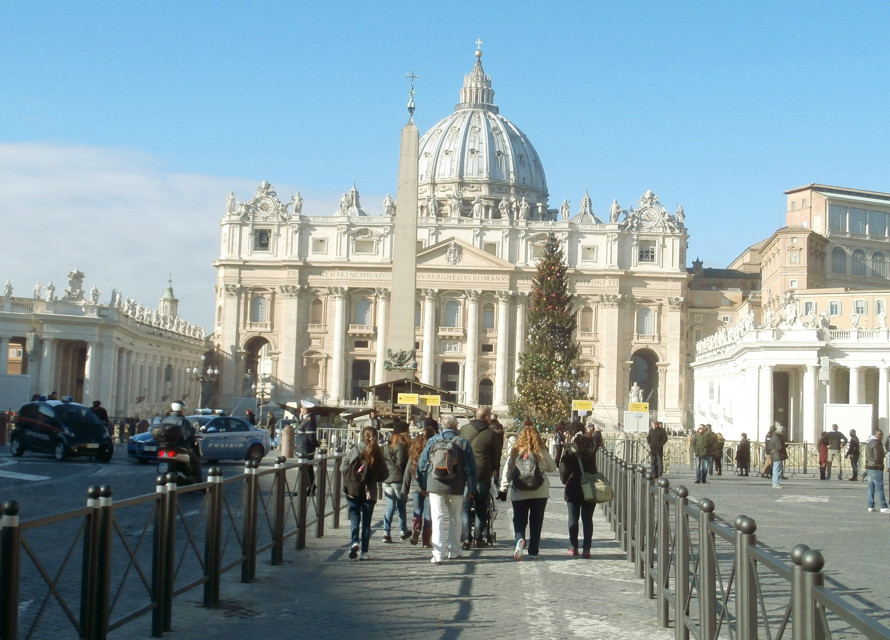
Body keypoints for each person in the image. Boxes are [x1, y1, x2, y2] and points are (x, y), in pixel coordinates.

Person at [417, 415, 477, 564]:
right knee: (455, 517)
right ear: (456, 426)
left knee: (437, 518)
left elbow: (421, 465)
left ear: (441, 426)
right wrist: (471, 488)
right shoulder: (463, 442)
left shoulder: (433, 441)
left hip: (435, 484)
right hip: (456, 485)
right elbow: (471, 469)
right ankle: (454, 550)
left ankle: (437, 553)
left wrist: (424, 486)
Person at [498, 424, 557, 560]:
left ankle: (520, 539)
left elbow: (507, 472)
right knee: (536, 521)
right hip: (539, 492)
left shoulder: (515, 451)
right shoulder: (541, 451)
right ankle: (533, 551)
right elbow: (553, 468)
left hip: (519, 491)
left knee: (519, 519)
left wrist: (503, 489)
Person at [340, 426, 389, 560]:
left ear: (362, 436)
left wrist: (353, 476)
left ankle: (354, 541)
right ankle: (364, 552)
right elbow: (385, 474)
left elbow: (342, 467)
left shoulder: (354, 450)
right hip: (369, 492)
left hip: (353, 489)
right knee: (366, 523)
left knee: (355, 518)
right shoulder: (378, 452)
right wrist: (371, 478)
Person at [459, 406, 502, 549]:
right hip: (483, 474)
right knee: (480, 508)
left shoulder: (464, 430)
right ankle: (478, 538)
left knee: (464, 508)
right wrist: (495, 475)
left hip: (465, 475)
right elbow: (496, 457)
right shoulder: (492, 434)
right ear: (487, 418)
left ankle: (466, 538)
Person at [559, 422, 598, 558]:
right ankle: (587, 548)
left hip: (573, 485)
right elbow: (593, 467)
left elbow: (564, 469)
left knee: (573, 518)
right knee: (588, 519)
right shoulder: (591, 446)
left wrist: (564, 480)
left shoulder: (569, 448)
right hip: (589, 486)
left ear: (571, 433)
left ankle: (573, 546)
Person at [403, 424, 436, 547]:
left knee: (417, 511)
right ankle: (426, 541)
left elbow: (407, 470)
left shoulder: (415, 450)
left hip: (416, 485)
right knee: (428, 515)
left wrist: (404, 489)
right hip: (430, 486)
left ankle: (416, 528)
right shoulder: (433, 448)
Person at [381, 418, 411, 543]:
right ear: (403, 433)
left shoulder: (387, 445)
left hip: (386, 479)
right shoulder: (400, 446)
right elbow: (400, 463)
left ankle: (386, 532)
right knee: (401, 506)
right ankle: (403, 531)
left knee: (390, 506)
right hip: (398, 479)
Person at [160, 401, 203, 483]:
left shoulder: (165, 419)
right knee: (196, 461)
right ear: (180, 409)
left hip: (166, 447)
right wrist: (193, 434)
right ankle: (199, 484)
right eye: (184, 409)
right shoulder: (183, 421)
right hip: (180, 447)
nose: (184, 411)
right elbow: (187, 435)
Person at [295, 404, 318, 494]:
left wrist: (315, 444)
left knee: (304, 469)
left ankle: (303, 490)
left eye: (302, 408)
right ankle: (311, 486)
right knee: (308, 469)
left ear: (306, 410)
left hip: (306, 449)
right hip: (304, 448)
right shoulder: (306, 418)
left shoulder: (309, 420)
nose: (300, 409)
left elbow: (311, 436)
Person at [864, 429, 890, 513]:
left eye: (882, 435)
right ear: (876, 435)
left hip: (869, 467)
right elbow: (878, 457)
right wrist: (881, 466)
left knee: (871, 487)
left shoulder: (869, 443)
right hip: (876, 467)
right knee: (879, 487)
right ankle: (883, 506)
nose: (881, 437)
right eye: (880, 435)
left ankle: (870, 506)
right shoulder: (877, 443)